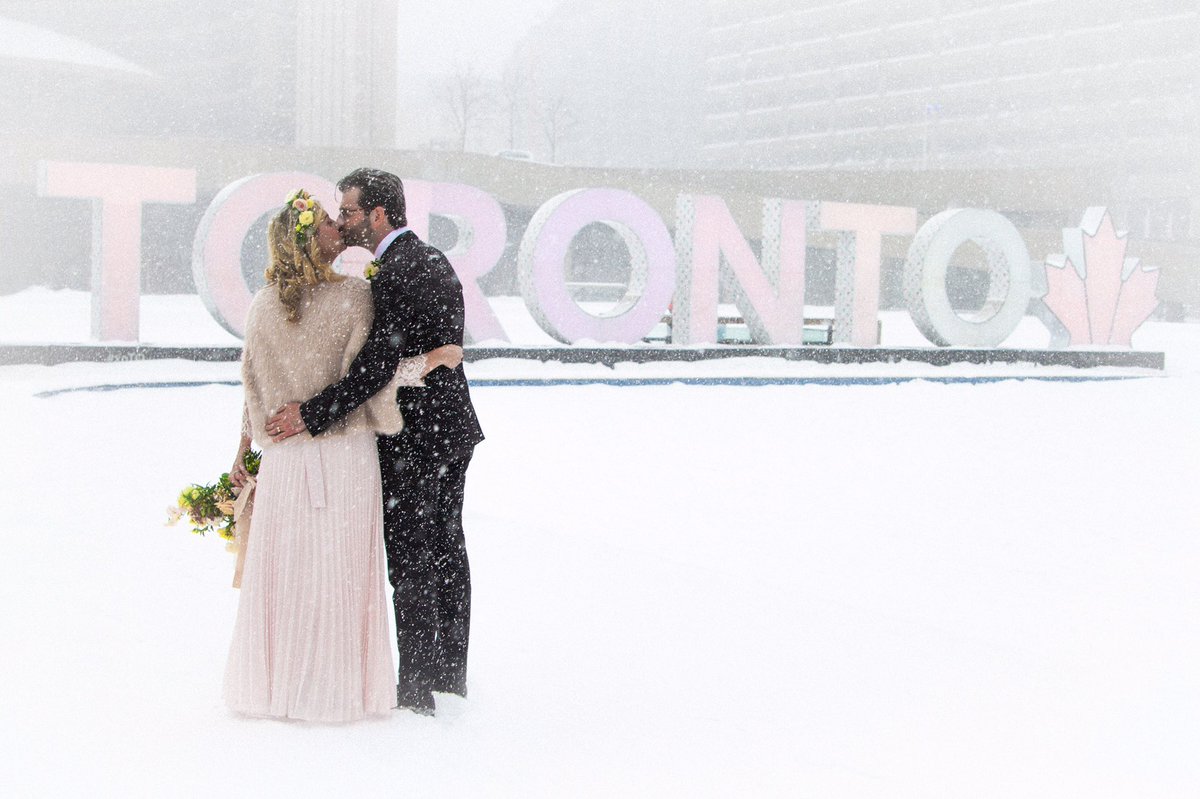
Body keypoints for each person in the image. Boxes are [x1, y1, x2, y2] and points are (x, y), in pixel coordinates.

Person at [223, 190, 462, 722]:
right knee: (339, 572)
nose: (340, 227)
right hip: (345, 456)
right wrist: (432, 359)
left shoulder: (263, 303)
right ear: (313, 240)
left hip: (285, 459)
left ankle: (276, 685)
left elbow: (251, 386)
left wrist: (244, 445)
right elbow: (371, 379)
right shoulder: (355, 296)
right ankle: (334, 687)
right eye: (331, 222)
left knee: (284, 572)